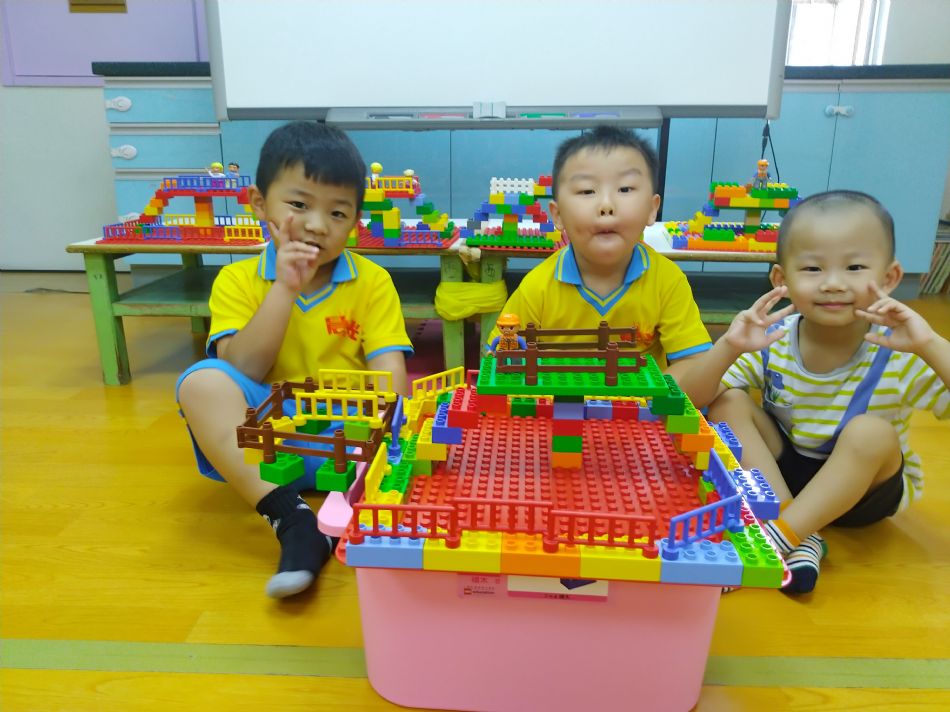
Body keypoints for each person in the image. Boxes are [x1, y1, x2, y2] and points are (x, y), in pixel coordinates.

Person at [176, 122, 413, 599]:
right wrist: (285, 288)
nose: (318, 225)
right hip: (269, 443)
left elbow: (391, 380)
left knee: (408, 423)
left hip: (349, 439)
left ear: (355, 222)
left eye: (338, 212)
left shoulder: (372, 281)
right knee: (200, 382)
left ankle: (350, 508)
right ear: (259, 203)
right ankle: (291, 518)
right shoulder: (237, 281)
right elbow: (243, 369)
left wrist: (386, 433)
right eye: (299, 205)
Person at [684, 191, 950, 594]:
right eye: (812, 268)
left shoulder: (901, 349)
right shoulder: (774, 339)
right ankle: (799, 532)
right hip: (788, 478)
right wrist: (728, 347)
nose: (833, 283)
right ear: (781, 280)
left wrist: (929, 343)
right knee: (728, 401)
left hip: (865, 494)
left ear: (889, 278)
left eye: (855, 267)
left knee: (870, 432)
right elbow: (691, 401)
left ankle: (774, 539)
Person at [488, 125, 711, 383]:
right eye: (587, 191)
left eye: (625, 189)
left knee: (727, 399)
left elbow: (695, 364)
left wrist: (644, 397)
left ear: (652, 209)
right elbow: (499, 358)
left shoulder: (667, 281)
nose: (606, 205)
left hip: (641, 405)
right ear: (557, 215)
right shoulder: (537, 288)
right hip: (559, 402)